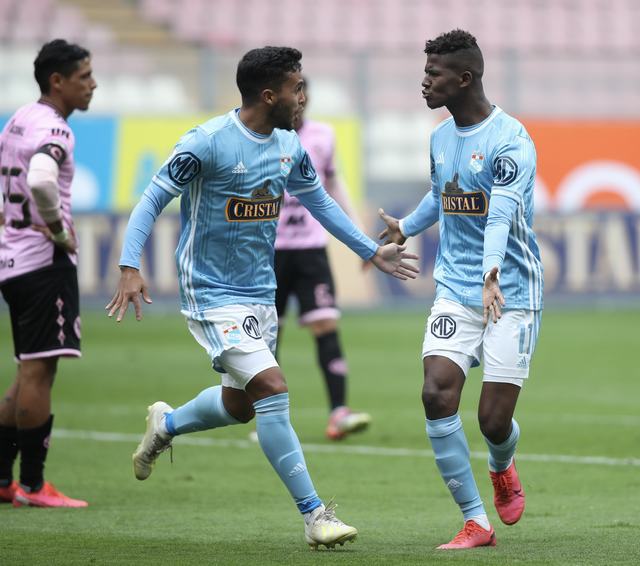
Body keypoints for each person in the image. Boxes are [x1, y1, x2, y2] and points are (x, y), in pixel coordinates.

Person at [106, 46, 417, 549]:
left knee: (240, 405)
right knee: (272, 387)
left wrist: (370, 251)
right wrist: (128, 266)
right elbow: (151, 200)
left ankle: (166, 424)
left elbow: (320, 203)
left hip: (259, 293)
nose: (303, 97)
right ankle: (315, 516)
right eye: (297, 88)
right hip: (211, 292)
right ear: (270, 95)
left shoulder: (289, 146)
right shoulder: (207, 143)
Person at [379, 29, 543, 549]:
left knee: (493, 421)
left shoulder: (511, 141)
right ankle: (476, 521)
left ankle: (502, 464)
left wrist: (492, 272)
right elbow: (442, 194)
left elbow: (500, 215)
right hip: (454, 287)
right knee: (435, 392)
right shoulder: (440, 137)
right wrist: (407, 226)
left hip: (511, 291)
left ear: (465, 78)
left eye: (434, 74)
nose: (424, 82)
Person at [0, 39, 96, 508]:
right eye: (84, 76)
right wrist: (58, 230)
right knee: (40, 371)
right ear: (57, 81)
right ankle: (35, 486)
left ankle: (3, 480)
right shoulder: (55, 129)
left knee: (26, 371)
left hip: (12, 257)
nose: (93, 85)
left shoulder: (19, 118)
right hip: (42, 261)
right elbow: (40, 178)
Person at [274, 78, 370, 440]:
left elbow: (334, 185)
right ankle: (269, 420)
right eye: (294, 92)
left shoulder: (322, 136)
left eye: (304, 93)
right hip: (268, 251)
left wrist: (360, 236)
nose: (300, 100)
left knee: (326, 324)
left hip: (311, 249)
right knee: (267, 334)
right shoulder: (263, 137)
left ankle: (339, 412)